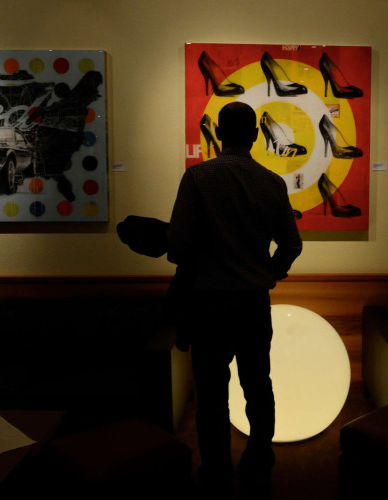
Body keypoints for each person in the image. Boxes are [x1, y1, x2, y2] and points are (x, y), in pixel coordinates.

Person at [167, 102, 302, 496]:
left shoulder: (198, 177)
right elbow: (291, 244)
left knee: (211, 395)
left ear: (218, 134)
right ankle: (259, 464)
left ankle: (216, 470)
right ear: (255, 135)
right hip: (253, 303)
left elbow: (178, 246)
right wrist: (269, 273)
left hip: (208, 304)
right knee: (258, 386)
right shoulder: (272, 182)